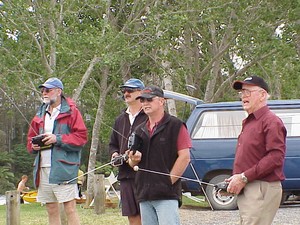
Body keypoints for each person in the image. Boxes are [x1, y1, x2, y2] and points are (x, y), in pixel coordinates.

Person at [226, 75, 286, 225]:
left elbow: (276, 156)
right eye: (242, 93)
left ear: (262, 95)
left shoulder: (271, 121)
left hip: (261, 187)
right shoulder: (249, 121)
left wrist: (244, 177)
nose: (243, 96)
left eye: (248, 92)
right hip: (249, 186)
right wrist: (236, 177)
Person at [26, 77, 88, 225]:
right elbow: (30, 139)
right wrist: (33, 146)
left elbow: (81, 138)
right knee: (51, 208)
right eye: (42, 91)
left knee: (70, 207)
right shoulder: (39, 114)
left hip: (63, 167)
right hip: (43, 168)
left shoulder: (72, 112)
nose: (44, 93)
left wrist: (57, 139)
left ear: (59, 91)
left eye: (48, 90)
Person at [127, 85, 191, 225]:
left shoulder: (176, 125)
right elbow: (132, 163)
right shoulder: (139, 129)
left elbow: (185, 157)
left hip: (166, 195)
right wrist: (133, 160)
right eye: (142, 100)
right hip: (144, 194)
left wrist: (168, 181)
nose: (145, 103)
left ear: (162, 101)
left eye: (149, 100)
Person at [109, 78, 147, 225]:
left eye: (130, 90)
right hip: (125, 175)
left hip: (144, 173)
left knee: (147, 214)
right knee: (132, 215)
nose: (126, 93)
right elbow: (112, 144)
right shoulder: (120, 119)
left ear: (141, 93)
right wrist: (115, 155)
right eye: (124, 91)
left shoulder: (149, 116)